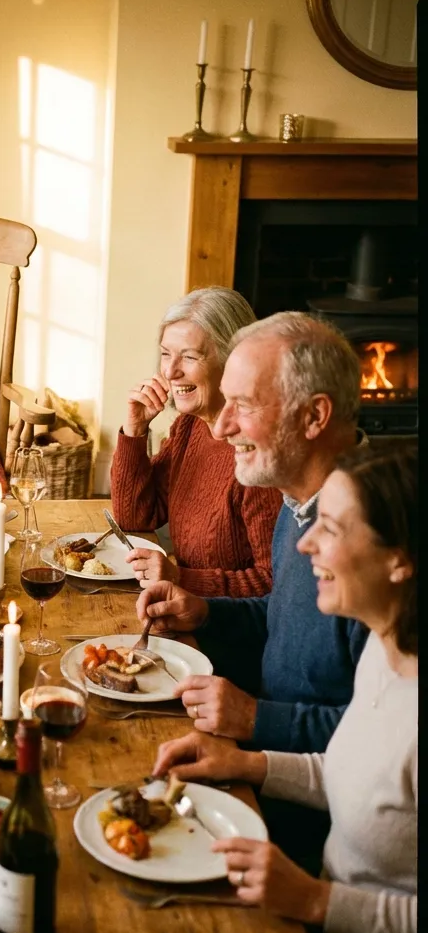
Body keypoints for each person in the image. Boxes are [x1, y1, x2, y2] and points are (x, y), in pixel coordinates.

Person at [152, 444, 417, 933]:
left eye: (334, 529)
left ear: (400, 560)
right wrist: (249, 763)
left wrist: (318, 901)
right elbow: (350, 767)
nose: (304, 544)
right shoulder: (386, 649)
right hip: (319, 910)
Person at [137, 313, 369, 754]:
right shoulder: (298, 501)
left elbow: (392, 740)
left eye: (243, 405)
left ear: (314, 415)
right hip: (260, 748)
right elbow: (283, 615)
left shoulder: (380, 543)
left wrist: (256, 718)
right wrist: (205, 611)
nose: (222, 428)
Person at [110, 286, 280, 597]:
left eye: (189, 356)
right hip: (185, 608)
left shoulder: (257, 456)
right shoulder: (189, 427)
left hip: (226, 628)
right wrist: (134, 430)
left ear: (233, 361)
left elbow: (273, 584)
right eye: (165, 354)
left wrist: (181, 578)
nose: (171, 371)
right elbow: (135, 517)